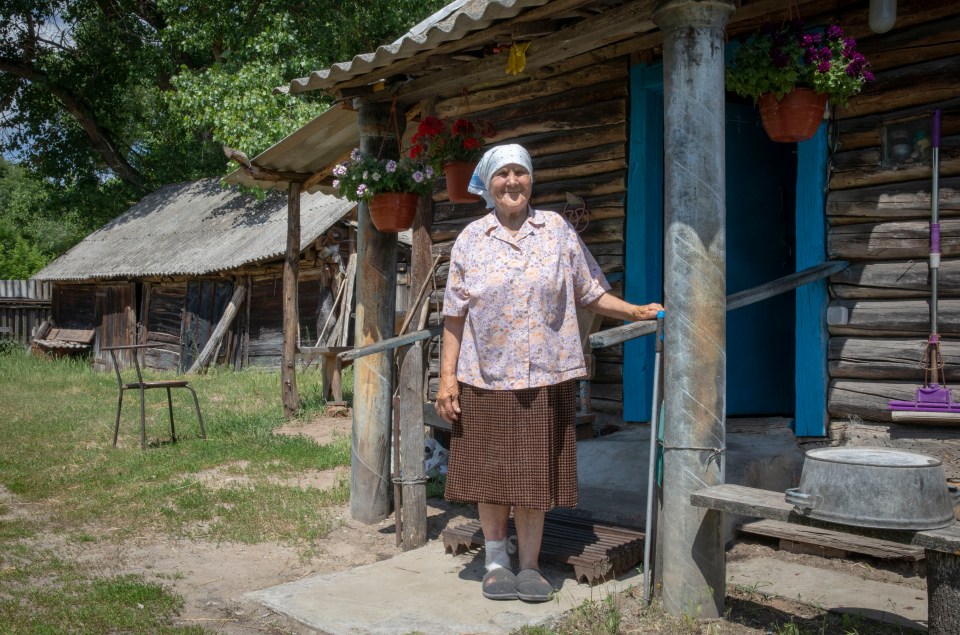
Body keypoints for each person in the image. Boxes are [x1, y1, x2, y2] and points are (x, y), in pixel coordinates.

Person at [434, 144, 663, 602]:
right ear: (488, 183)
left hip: (545, 375)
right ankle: (496, 560)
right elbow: (455, 315)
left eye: (520, 172)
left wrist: (634, 310)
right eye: (503, 175)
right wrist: (446, 378)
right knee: (491, 474)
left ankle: (531, 566)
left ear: (532, 180)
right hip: (485, 377)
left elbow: (590, 291)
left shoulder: (557, 231)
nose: (512, 182)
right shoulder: (471, 240)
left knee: (535, 477)